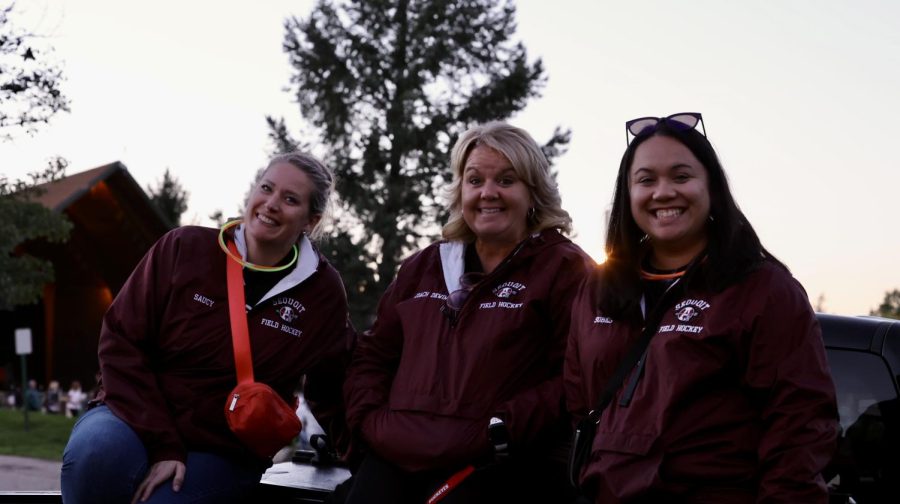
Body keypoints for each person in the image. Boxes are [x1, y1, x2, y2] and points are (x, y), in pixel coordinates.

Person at [564, 113, 838, 503]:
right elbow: (579, 406)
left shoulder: (764, 290)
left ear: (712, 187)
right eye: (646, 180)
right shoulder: (597, 289)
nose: (663, 192)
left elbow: (800, 428)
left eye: (681, 176)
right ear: (627, 195)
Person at [61, 152, 354, 504]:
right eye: (267, 188)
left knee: (164, 501)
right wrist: (164, 445)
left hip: (224, 447)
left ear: (311, 219)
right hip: (135, 415)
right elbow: (121, 341)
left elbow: (334, 383)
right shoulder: (185, 248)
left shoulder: (322, 292)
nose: (271, 204)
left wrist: (367, 458)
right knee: (96, 456)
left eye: (290, 199)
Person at [343, 122, 594, 503]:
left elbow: (576, 375)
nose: (488, 193)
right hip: (395, 454)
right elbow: (374, 355)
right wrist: (369, 421)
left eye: (506, 181)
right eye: (475, 180)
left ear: (533, 193)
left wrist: (500, 429)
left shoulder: (565, 270)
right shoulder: (423, 266)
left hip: (496, 464)